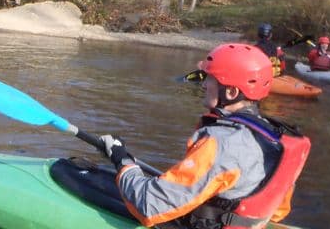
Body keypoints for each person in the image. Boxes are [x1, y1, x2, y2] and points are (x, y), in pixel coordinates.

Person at [100, 43, 311, 228]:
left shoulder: (221, 142)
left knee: (100, 184)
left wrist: (122, 160)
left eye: (210, 79)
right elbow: (278, 212)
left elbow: (148, 205)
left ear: (231, 92)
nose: (203, 85)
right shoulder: (275, 139)